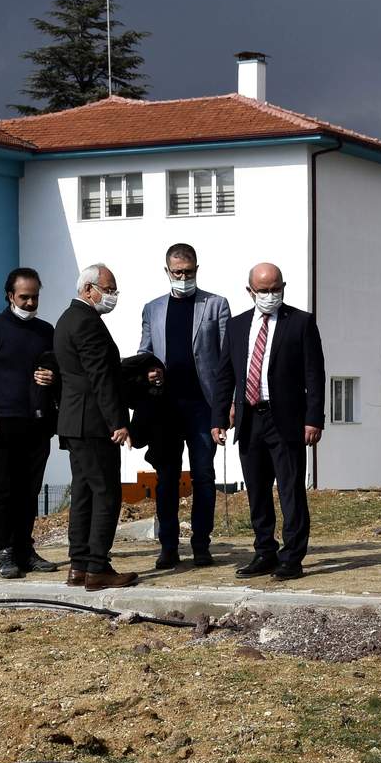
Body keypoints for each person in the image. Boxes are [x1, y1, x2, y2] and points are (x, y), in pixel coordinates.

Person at [213, 262, 324, 581]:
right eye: (264, 290)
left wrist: (314, 418)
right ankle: (265, 551)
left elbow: (314, 374)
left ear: (283, 287)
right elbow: (225, 375)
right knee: (257, 490)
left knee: (290, 490)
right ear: (250, 291)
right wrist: (219, 417)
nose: (270, 295)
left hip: (286, 419)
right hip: (249, 418)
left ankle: (292, 557)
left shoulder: (300, 322)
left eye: (276, 289)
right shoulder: (236, 326)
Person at [137, 243, 232, 568]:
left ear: (196, 269)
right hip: (166, 409)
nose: (183, 277)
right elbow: (144, 352)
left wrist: (226, 405)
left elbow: (226, 359)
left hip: (203, 406)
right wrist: (149, 371)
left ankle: (201, 545)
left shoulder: (216, 305)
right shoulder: (152, 309)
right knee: (167, 477)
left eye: (188, 272)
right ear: (167, 271)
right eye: (177, 272)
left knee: (203, 475)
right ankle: (168, 546)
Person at [0, 267, 61, 579]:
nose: (30, 302)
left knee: (30, 490)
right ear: (10, 295)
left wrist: (53, 377)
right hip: (1, 424)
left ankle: (24, 548)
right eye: (24, 297)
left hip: (38, 422)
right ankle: (4, 549)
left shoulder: (46, 331)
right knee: (5, 489)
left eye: (35, 296)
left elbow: (60, 370)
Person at [53, 263, 136, 590]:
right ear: (88, 289)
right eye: (108, 289)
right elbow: (100, 376)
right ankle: (98, 567)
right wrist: (118, 422)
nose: (112, 296)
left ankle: (79, 565)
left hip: (74, 421)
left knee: (84, 492)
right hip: (93, 422)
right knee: (106, 493)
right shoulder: (87, 323)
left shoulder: (66, 319)